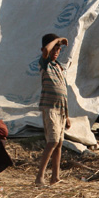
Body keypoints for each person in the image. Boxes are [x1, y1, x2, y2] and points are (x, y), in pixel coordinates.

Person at [34, 34, 70, 187]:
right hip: (50, 109)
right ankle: (40, 176)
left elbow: (63, 93)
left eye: (58, 49)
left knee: (59, 143)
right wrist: (57, 40)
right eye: (54, 48)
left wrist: (67, 116)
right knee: (53, 141)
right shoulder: (45, 64)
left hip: (60, 110)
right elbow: (46, 52)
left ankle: (55, 176)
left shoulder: (58, 67)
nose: (56, 51)